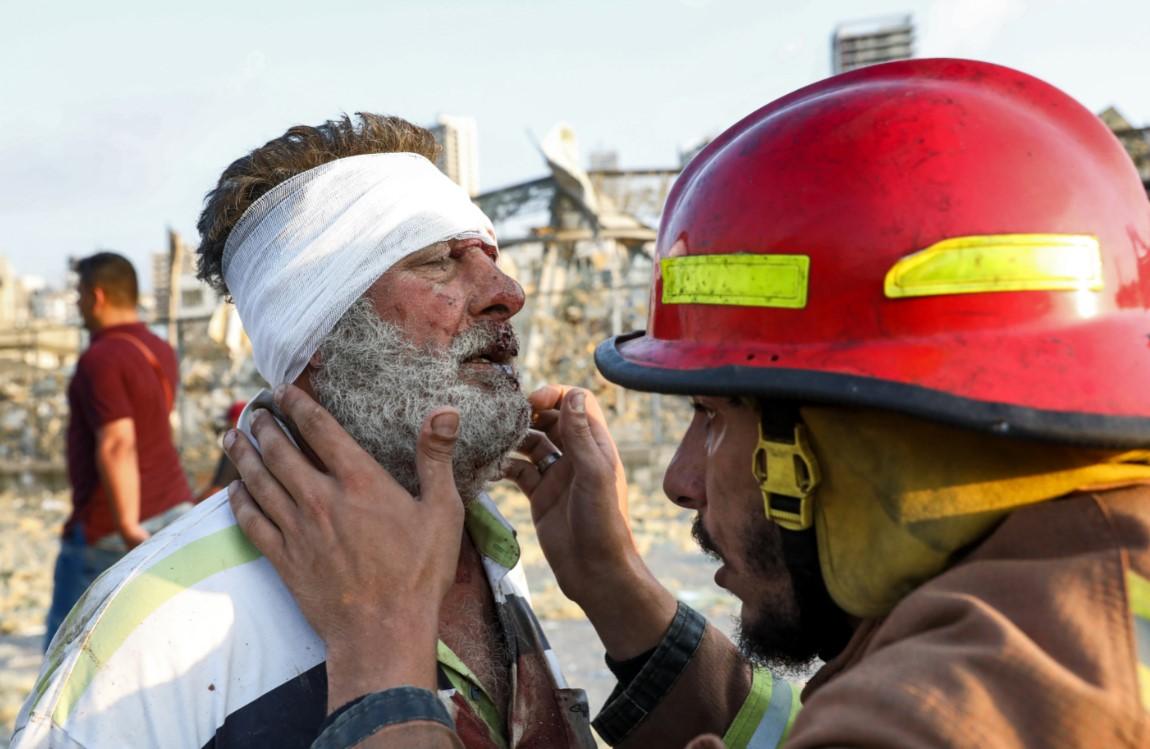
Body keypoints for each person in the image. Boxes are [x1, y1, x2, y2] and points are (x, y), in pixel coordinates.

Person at [222, 59, 1150, 748]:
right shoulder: (1063, 582)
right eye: (436, 259)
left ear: (857, 425)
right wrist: (621, 591)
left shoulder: (948, 714)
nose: (676, 478)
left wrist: (382, 666)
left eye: (710, 414)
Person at [13, 114, 596, 748]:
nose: (507, 292)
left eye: (491, 257)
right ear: (316, 331)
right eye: (438, 263)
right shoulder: (155, 632)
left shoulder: (489, 554)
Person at [43, 251, 192, 650]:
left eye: (78, 295)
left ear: (98, 296)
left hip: (109, 529)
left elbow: (118, 442)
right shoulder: (158, 349)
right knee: (150, 644)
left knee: (65, 653)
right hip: (173, 508)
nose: (76, 304)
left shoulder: (101, 358)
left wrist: (127, 525)